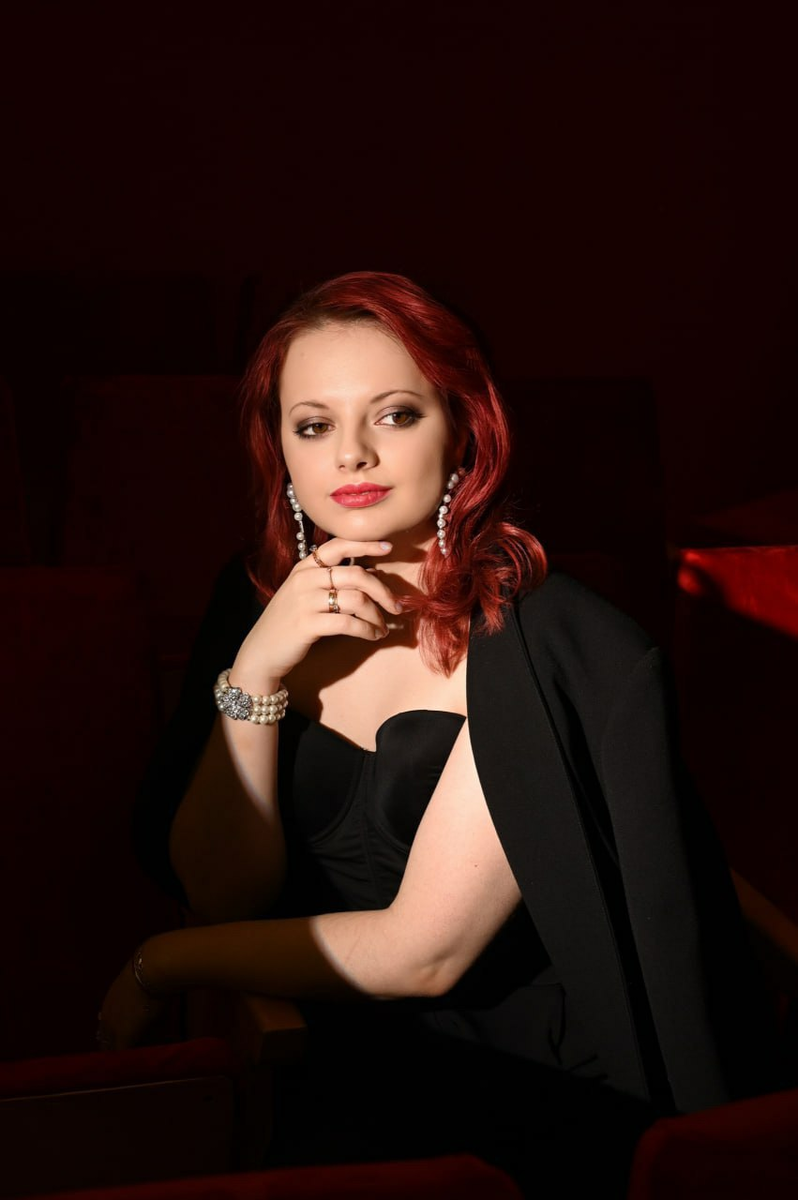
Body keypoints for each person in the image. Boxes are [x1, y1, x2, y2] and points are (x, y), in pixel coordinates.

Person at [99, 271, 780, 1193]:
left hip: (525, 1086)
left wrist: (160, 964)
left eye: (394, 415)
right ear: (280, 450)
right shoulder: (256, 600)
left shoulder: (542, 642)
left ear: (461, 428)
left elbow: (425, 952)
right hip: (333, 1050)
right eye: (314, 425)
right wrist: (255, 674)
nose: (352, 454)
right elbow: (222, 890)